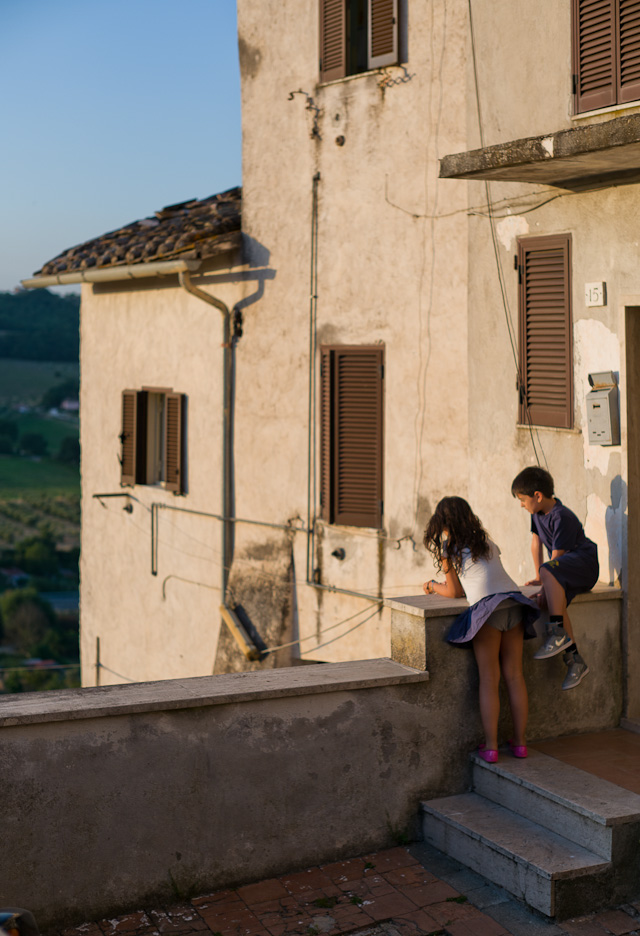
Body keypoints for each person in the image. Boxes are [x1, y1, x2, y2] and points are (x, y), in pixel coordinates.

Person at [423, 496, 539, 764]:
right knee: (515, 676)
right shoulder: (486, 541)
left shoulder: (447, 545)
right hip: (514, 602)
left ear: (442, 522)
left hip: (488, 610)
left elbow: (453, 592)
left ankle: (491, 747)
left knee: (490, 679)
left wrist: (431, 585)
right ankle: (520, 744)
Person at [511, 466, 599, 691]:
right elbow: (536, 544)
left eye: (522, 499)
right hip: (564, 569)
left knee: (550, 576)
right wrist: (541, 580)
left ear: (537, 496)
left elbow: (557, 557)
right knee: (555, 600)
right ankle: (575, 661)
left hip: (584, 565)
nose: (521, 504)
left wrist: (545, 580)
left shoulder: (563, 516)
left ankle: (557, 632)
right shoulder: (537, 514)